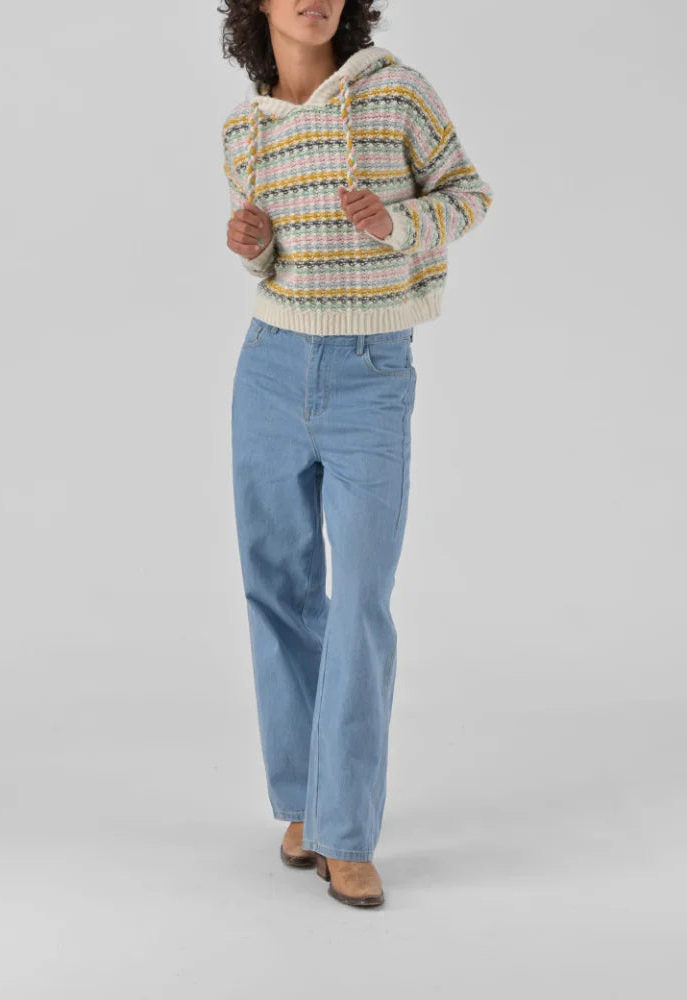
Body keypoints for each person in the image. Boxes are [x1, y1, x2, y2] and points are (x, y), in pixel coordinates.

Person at [219, 0, 494, 908]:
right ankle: (304, 800)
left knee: (361, 601)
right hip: (268, 365)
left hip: (371, 372)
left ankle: (345, 829)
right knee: (276, 585)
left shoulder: (398, 93)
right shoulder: (244, 131)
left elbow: (470, 195)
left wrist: (396, 225)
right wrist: (255, 249)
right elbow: (273, 260)